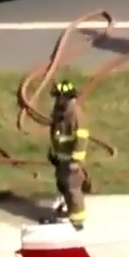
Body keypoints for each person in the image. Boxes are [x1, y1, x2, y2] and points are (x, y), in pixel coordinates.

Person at [47, 80, 91, 230]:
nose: (57, 101)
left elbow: (81, 138)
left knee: (73, 188)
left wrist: (76, 161)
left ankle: (78, 220)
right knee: (64, 186)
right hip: (61, 159)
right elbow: (56, 135)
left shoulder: (75, 115)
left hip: (71, 161)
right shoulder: (60, 112)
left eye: (59, 97)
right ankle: (69, 211)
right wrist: (54, 154)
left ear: (67, 97)